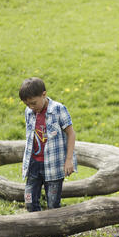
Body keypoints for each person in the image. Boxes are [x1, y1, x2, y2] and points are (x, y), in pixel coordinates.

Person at [19, 77, 76, 212]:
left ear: (44, 94)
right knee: (29, 201)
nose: (31, 107)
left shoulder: (58, 109)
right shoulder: (29, 112)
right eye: (27, 105)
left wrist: (69, 160)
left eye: (33, 103)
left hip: (54, 165)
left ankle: (53, 232)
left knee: (53, 205)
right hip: (33, 164)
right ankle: (36, 228)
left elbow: (71, 134)